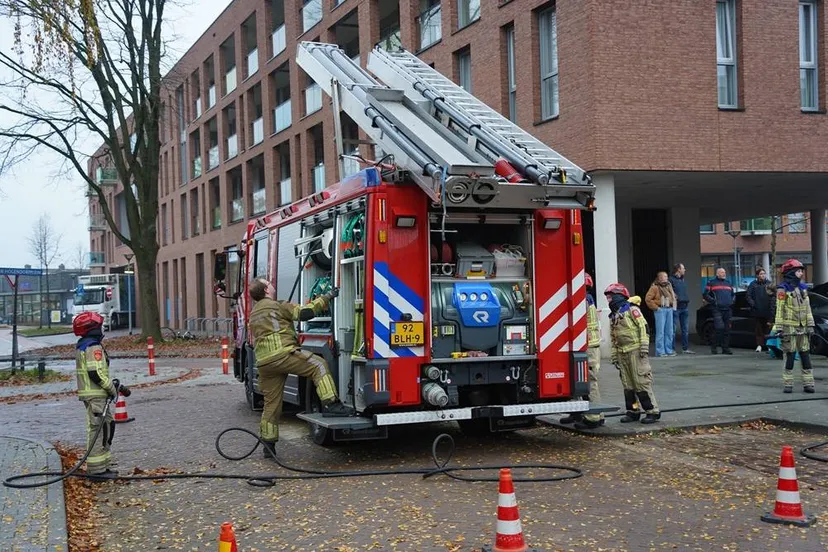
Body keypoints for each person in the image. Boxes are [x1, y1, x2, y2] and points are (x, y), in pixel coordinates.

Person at [248, 278, 353, 457]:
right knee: (318, 365)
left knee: (271, 405)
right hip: (282, 354)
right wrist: (327, 296)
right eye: (269, 284)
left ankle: (268, 445)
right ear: (266, 290)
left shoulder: (254, 313)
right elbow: (306, 312)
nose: (273, 284)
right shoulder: (278, 306)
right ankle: (331, 404)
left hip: (265, 363)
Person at [73, 311, 129, 477]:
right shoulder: (93, 347)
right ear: (92, 328)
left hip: (95, 396)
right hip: (96, 396)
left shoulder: (84, 345)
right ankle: (97, 471)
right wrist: (112, 389)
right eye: (99, 325)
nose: (102, 328)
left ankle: (102, 467)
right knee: (99, 432)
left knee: (106, 428)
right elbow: (95, 373)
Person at [605, 283, 660, 424]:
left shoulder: (632, 310)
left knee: (641, 382)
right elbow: (613, 337)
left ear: (618, 296)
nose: (608, 300)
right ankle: (633, 411)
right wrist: (614, 355)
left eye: (610, 297)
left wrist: (644, 347)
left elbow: (643, 327)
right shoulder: (614, 315)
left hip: (636, 352)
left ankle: (652, 411)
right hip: (623, 353)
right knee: (628, 385)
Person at [560, 273, 604, 429]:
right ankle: (578, 412)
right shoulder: (586, 299)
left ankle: (594, 416)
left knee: (589, 381)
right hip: (584, 345)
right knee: (577, 380)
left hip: (589, 347)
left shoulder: (583, 300)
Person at [772, 259, 816, 393]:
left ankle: (809, 383)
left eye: (801, 271)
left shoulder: (803, 288)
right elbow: (779, 309)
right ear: (790, 272)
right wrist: (779, 327)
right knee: (790, 356)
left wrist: (810, 325)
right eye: (798, 271)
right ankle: (788, 384)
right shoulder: (783, 289)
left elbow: (808, 308)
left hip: (803, 327)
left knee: (805, 355)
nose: (801, 273)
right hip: (788, 327)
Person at [703, 268, 735, 355]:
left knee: (727, 330)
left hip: (728, 309)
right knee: (719, 328)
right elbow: (705, 294)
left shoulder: (728, 283)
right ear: (717, 274)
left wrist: (732, 301)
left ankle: (725, 348)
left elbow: (733, 295)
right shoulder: (711, 283)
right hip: (717, 309)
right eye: (722, 272)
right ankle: (714, 347)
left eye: (724, 272)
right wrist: (714, 301)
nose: (724, 273)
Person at [645, 271, 676, 357]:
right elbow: (648, 299)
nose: (666, 278)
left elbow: (673, 296)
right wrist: (656, 307)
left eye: (666, 276)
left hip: (669, 309)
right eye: (665, 276)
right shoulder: (654, 287)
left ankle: (668, 350)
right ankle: (660, 351)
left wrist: (673, 301)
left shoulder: (668, 286)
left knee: (669, 331)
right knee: (660, 332)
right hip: (660, 310)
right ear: (660, 278)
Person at [746, 267, 774, 352]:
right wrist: (753, 304)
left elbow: (773, 295)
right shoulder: (753, 284)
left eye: (764, 273)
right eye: (761, 274)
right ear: (757, 275)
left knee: (768, 329)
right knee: (759, 329)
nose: (763, 275)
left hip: (768, 310)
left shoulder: (769, 284)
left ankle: (769, 345)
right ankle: (759, 345)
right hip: (757, 310)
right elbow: (748, 296)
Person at [669, 263, 694, 354]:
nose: (685, 270)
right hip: (676, 307)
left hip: (684, 306)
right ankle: (672, 349)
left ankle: (685, 348)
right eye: (683, 268)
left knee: (685, 329)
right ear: (678, 269)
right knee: (673, 329)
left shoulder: (682, 279)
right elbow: (670, 293)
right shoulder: (671, 280)